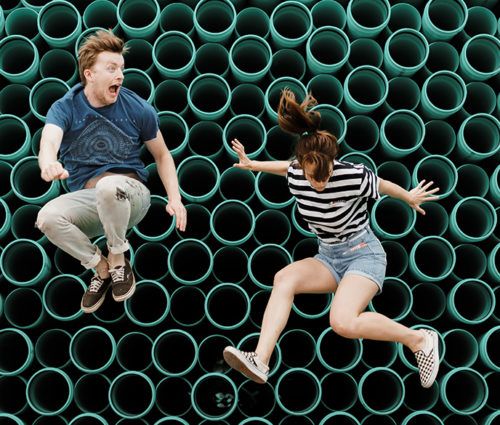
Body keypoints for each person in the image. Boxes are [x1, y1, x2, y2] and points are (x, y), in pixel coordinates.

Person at [223, 89, 440, 388]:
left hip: (364, 253)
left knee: (342, 322)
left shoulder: (351, 175)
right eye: (313, 177)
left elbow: (385, 184)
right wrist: (253, 164)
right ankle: (260, 360)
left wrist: (408, 197)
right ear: (302, 167)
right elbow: (284, 167)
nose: (320, 183)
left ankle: (419, 339)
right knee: (284, 278)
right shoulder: (297, 172)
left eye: (325, 175)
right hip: (328, 256)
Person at [36, 30, 186, 313]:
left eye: (121, 69)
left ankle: (118, 258)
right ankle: (101, 268)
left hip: (132, 196)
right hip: (92, 201)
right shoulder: (65, 108)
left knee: (109, 186)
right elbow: (50, 141)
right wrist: (48, 163)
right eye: (111, 68)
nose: (120, 75)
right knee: (47, 218)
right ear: (89, 74)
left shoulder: (138, 108)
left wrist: (175, 198)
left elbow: (162, 155)